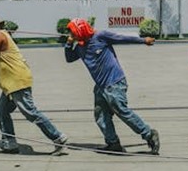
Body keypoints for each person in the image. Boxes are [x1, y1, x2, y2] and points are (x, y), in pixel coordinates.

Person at [63, 18, 160, 154]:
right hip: (101, 86)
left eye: (73, 32)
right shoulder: (80, 46)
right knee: (101, 115)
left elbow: (122, 38)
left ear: (81, 30)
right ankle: (113, 143)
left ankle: (149, 134)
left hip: (114, 83)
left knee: (122, 111)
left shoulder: (100, 36)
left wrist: (144, 41)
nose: (72, 35)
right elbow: (69, 58)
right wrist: (68, 43)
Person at [0, 13, 68, 154]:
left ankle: (57, 137)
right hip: (10, 82)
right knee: (2, 111)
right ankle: (10, 143)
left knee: (30, 112)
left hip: (16, 80)